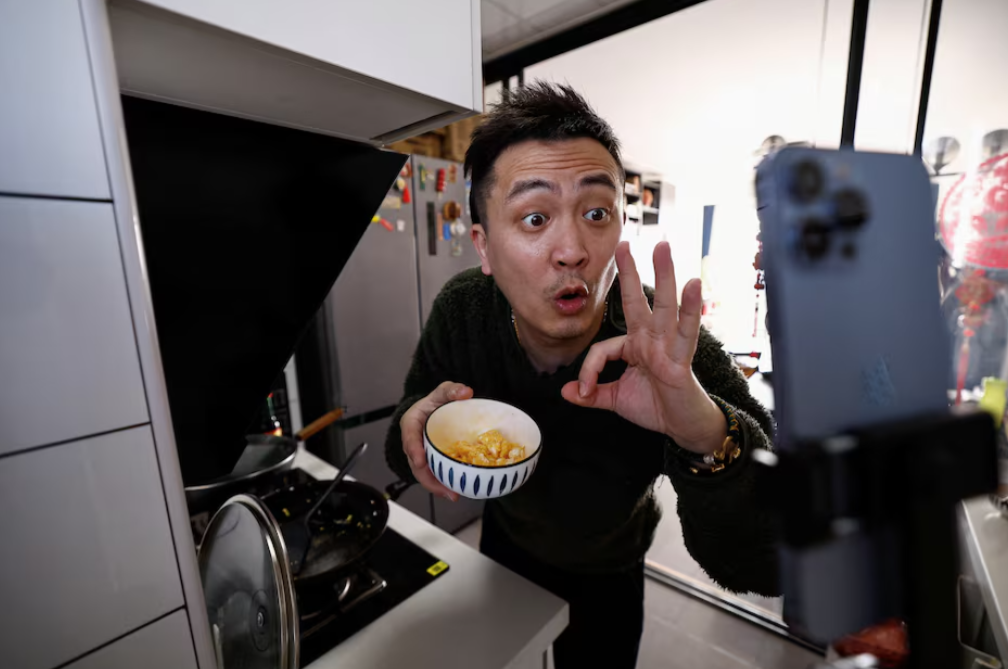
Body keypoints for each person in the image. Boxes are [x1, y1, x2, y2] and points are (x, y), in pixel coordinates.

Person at [385, 81, 779, 668]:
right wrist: (410, 429)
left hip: (611, 568)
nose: (571, 249)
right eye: (535, 216)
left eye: (596, 213)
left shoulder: (668, 347)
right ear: (484, 247)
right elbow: (404, 438)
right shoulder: (464, 309)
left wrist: (701, 431)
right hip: (504, 549)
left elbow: (764, 564)